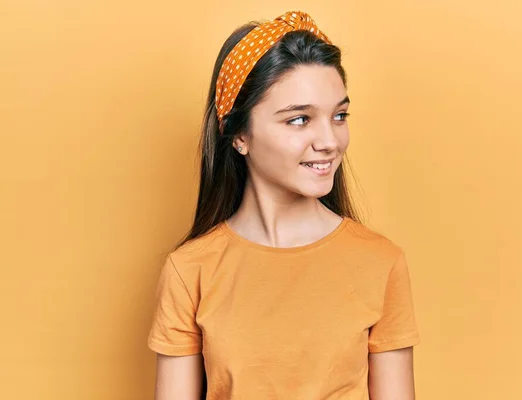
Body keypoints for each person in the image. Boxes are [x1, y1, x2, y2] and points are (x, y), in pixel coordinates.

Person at [147, 10, 421, 400]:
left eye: (339, 116)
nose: (329, 140)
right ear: (239, 134)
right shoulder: (190, 271)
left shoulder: (381, 262)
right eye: (299, 120)